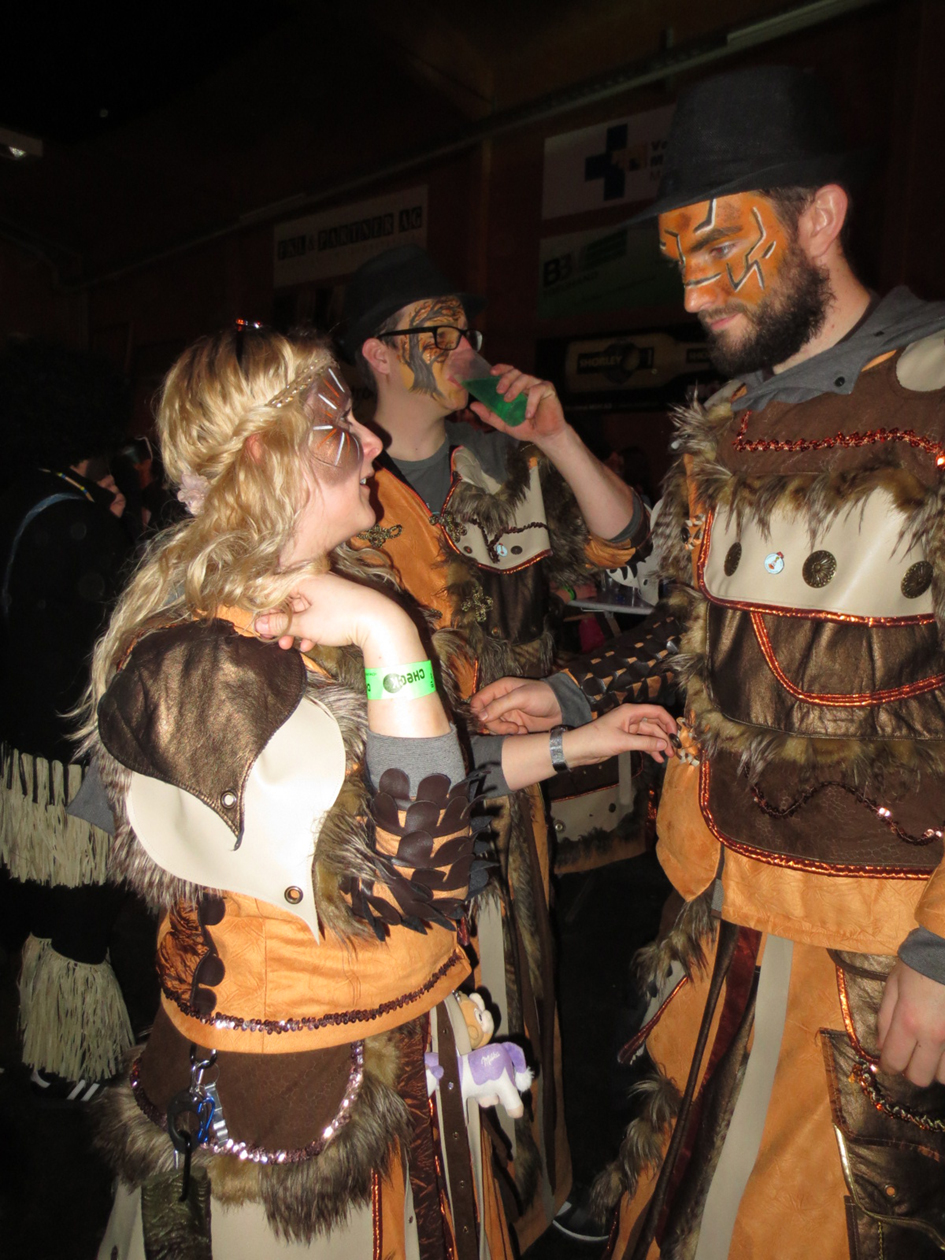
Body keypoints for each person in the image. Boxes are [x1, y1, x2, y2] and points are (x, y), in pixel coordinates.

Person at [472, 64, 945, 1260]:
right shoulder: (729, 425)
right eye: (677, 254)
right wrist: (575, 691)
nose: (691, 290)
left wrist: (944, 947)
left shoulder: (937, 401)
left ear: (821, 216)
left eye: (721, 245)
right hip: (724, 915)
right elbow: (688, 620)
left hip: (878, 941)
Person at [81, 326, 676, 1258]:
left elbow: (408, 785)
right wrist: (388, 634)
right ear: (264, 457)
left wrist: (577, 742)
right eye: (338, 427)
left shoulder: (317, 597)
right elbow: (423, 883)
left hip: (396, 1036)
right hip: (298, 1086)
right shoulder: (202, 667)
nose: (369, 441)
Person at [337, 243, 652, 1246]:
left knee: (518, 986)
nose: (466, 347)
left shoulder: (506, 468)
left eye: (467, 329)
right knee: (419, 1008)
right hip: (388, 813)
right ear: (380, 352)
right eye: (440, 330)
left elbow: (626, 549)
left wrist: (557, 438)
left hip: (512, 799)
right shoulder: (337, 481)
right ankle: (431, 1209)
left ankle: (523, 1195)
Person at [0, 339, 136, 1103]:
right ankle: (70, 1057)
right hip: (77, 756)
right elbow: (116, 640)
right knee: (85, 907)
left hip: (21, 753)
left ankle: (42, 1039)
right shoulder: (81, 521)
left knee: (50, 906)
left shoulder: (20, 496)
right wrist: (115, 528)